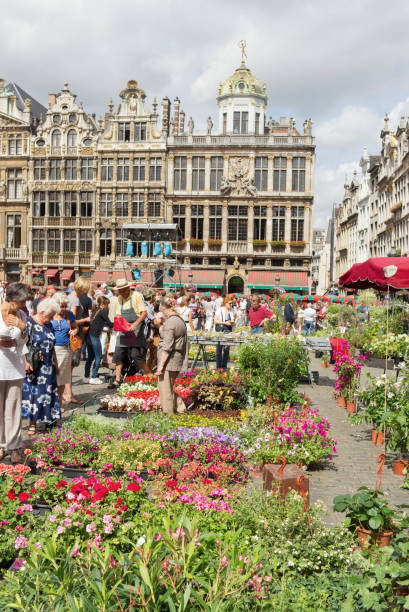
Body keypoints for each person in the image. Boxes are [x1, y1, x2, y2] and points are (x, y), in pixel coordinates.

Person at [0, 282, 30, 463]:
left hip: (15, 366)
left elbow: (24, 341)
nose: (23, 305)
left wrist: (22, 327)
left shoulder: (21, 315)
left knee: (14, 407)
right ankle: (0, 444)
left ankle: (14, 446)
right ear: (11, 300)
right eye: (21, 302)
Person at [22, 298, 61, 435]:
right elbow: (22, 344)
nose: (51, 319)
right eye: (50, 316)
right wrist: (25, 361)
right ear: (42, 312)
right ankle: (32, 424)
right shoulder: (29, 323)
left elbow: (52, 345)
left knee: (48, 393)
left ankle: (48, 421)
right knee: (34, 393)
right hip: (34, 365)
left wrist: (56, 362)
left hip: (48, 365)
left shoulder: (49, 325)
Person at [110, 278, 149, 389]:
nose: (121, 292)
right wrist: (119, 325)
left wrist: (135, 324)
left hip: (136, 328)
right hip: (124, 328)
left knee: (136, 355)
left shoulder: (136, 296)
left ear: (127, 288)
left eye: (123, 290)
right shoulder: (119, 299)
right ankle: (117, 379)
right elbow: (119, 315)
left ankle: (149, 376)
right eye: (120, 291)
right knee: (118, 354)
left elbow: (144, 313)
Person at [156, 296, 188, 414]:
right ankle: (181, 409)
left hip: (169, 360)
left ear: (163, 307)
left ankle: (168, 417)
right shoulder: (179, 320)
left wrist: (160, 366)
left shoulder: (170, 322)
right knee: (168, 388)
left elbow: (167, 347)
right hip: (177, 358)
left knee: (165, 391)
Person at [66, 277, 91, 401]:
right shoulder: (75, 299)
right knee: (70, 366)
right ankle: (69, 394)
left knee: (68, 366)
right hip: (74, 335)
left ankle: (68, 393)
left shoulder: (69, 296)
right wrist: (86, 320)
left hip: (70, 334)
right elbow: (72, 319)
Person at [51, 292, 78, 407]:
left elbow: (76, 326)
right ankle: (53, 403)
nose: (63, 308)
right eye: (61, 305)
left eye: (65, 305)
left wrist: (74, 331)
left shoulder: (69, 314)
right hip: (53, 350)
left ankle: (59, 403)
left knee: (63, 378)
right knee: (54, 377)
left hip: (66, 349)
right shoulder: (49, 314)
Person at [85, 295, 113, 384]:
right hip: (94, 337)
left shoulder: (96, 310)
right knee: (98, 356)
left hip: (89, 336)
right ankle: (93, 377)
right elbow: (109, 323)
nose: (108, 306)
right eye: (107, 304)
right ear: (103, 304)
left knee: (90, 357)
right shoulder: (103, 311)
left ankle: (86, 377)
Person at [214, 296, 237, 370]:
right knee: (219, 349)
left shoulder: (232, 310)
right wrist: (225, 323)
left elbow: (237, 317)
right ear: (225, 303)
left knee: (227, 350)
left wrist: (234, 322)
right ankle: (218, 367)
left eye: (232, 303)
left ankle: (224, 366)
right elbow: (215, 320)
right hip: (221, 331)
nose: (231, 305)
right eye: (230, 303)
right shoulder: (220, 310)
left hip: (229, 332)